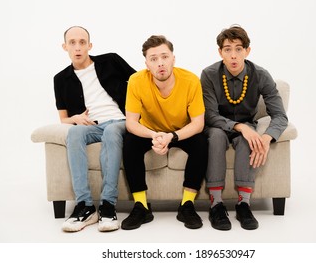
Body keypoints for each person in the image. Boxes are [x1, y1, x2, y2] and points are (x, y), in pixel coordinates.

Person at [200, 25, 288, 231]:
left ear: (247, 51)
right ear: (220, 52)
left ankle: (244, 204)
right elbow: (210, 115)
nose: (233, 55)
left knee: (251, 139)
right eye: (227, 49)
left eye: (238, 49)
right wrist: (238, 126)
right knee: (216, 137)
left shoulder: (260, 75)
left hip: (248, 126)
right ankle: (216, 204)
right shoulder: (209, 74)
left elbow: (280, 116)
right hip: (217, 126)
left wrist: (266, 138)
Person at [53, 26, 136, 232]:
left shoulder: (110, 61)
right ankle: (86, 206)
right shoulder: (60, 79)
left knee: (111, 131)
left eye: (82, 42)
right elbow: (64, 119)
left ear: (90, 45)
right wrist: (75, 118)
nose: (78, 47)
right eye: (72, 43)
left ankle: (108, 205)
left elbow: (140, 83)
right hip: (92, 126)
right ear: (65, 47)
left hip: (120, 121)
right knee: (74, 133)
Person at [121, 35, 208, 230]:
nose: (160, 63)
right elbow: (131, 123)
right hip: (151, 132)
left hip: (180, 132)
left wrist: (172, 137)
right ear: (147, 64)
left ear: (173, 59)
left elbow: (198, 123)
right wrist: (154, 136)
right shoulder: (136, 81)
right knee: (130, 141)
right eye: (153, 59)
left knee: (201, 142)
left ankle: (187, 204)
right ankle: (141, 205)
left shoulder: (191, 80)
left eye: (164, 57)